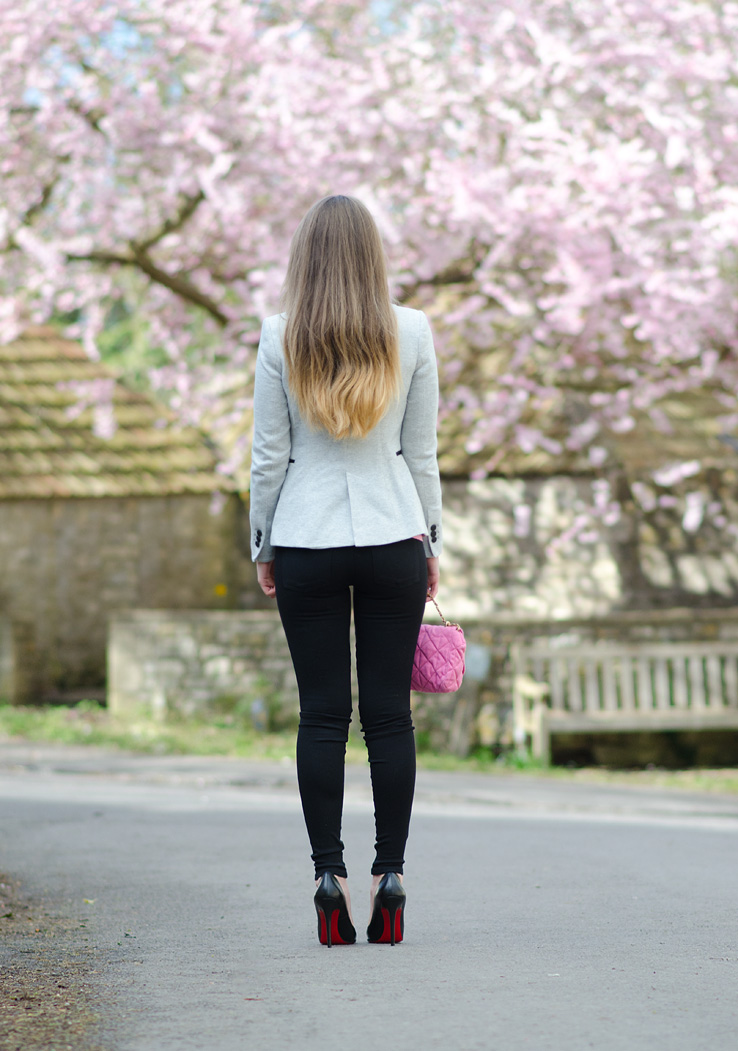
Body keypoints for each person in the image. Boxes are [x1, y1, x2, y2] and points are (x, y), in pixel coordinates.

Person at [249, 194, 442, 947]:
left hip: (306, 536)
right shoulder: (414, 331)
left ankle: (326, 875)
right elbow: (420, 450)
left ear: (306, 258)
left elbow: (271, 454)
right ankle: (388, 876)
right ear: (373, 256)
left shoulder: (278, 337)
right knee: (389, 715)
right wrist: (430, 541)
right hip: (394, 532)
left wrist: (263, 543)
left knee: (323, 714)